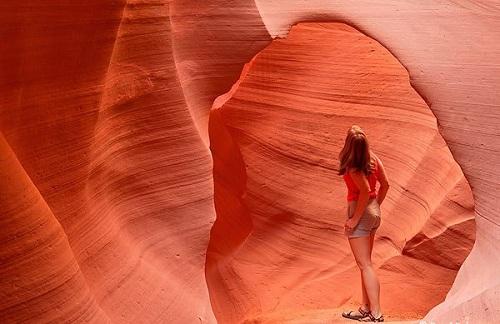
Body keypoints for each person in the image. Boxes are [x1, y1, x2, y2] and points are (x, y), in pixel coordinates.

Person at [339, 125, 389, 322]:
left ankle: (376, 313)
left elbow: (365, 191)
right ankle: (365, 308)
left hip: (360, 212)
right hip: (373, 211)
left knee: (365, 265)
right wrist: (375, 207)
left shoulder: (353, 167)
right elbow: (385, 184)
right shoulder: (373, 159)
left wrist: (354, 219)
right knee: (365, 264)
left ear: (349, 145)